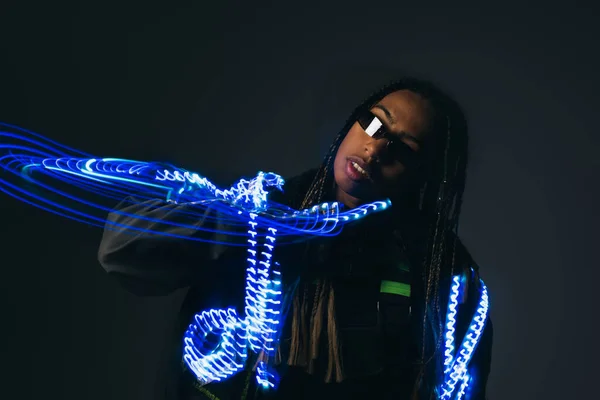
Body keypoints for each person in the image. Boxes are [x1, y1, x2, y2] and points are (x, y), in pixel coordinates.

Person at [98, 77, 493, 400]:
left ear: (423, 176)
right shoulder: (260, 210)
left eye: (403, 150)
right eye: (374, 124)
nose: (375, 148)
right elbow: (121, 250)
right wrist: (263, 228)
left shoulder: (444, 274)